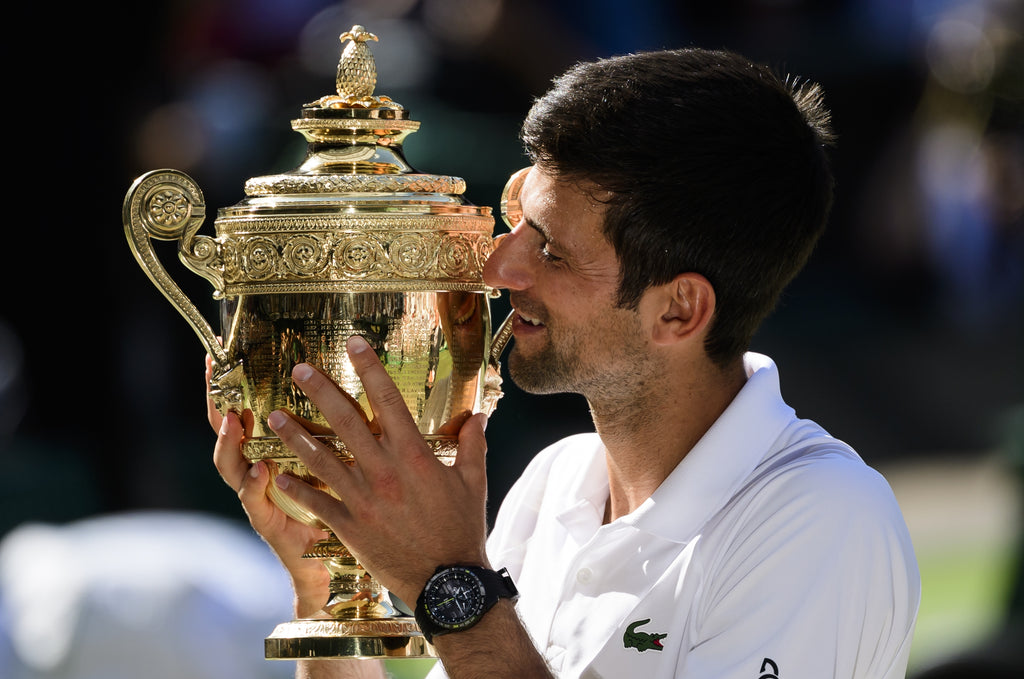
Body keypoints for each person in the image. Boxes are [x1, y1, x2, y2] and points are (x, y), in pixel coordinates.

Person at [210, 47, 920, 679]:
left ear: (679, 310)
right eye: (520, 224)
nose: (499, 266)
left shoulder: (824, 519)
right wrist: (328, 587)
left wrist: (450, 581)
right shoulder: (554, 485)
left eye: (550, 250)